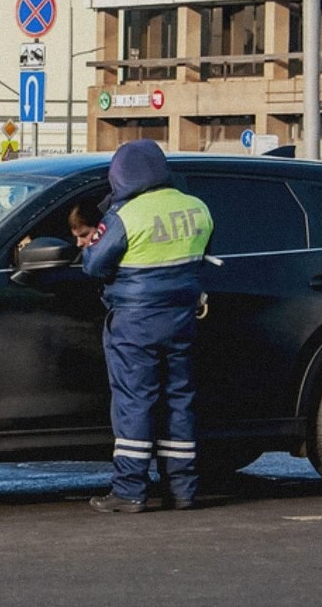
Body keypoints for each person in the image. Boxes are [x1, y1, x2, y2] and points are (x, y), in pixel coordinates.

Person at [81, 140, 214, 514]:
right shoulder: (196, 208)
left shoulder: (126, 215)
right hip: (182, 318)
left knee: (134, 402)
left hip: (135, 323)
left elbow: (94, 264)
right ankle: (182, 489)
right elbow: (199, 256)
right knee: (179, 401)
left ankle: (129, 490)